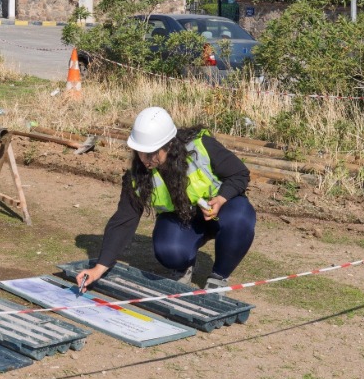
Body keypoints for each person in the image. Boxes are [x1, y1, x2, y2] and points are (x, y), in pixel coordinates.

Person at [76, 106, 256, 291]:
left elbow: (240, 174)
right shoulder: (136, 176)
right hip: (184, 220)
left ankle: (219, 275)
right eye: (140, 151)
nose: (145, 159)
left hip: (222, 210)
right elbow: (123, 220)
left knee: (239, 219)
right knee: (168, 251)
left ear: (169, 145)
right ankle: (184, 265)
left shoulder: (202, 147)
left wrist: (221, 198)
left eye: (152, 152)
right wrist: (99, 268)